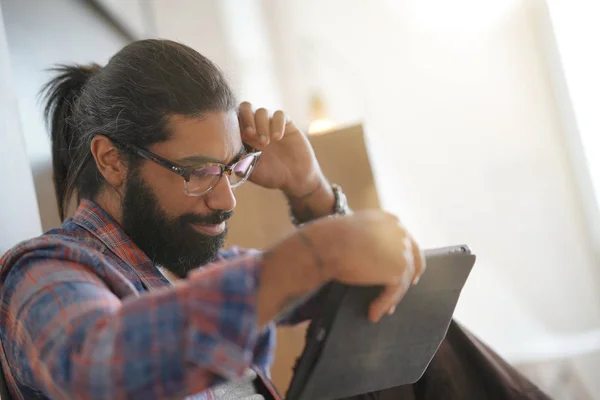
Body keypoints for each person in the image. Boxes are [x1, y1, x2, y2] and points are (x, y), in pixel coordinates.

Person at [0, 39, 424, 400]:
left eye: (233, 168)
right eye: (199, 171)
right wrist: (307, 257)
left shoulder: (200, 267)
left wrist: (309, 187)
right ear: (111, 161)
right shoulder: (41, 273)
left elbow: (365, 291)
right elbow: (95, 368)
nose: (226, 199)